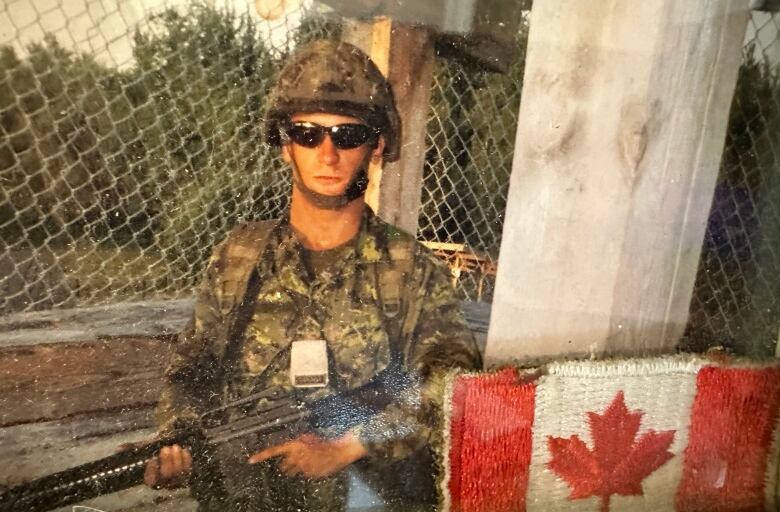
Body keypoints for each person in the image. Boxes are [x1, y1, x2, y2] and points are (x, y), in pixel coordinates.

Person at [144, 39, 482, 511]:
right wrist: (176, 436)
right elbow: (192, 366)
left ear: (376, 146)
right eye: (307, 134)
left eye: (347, 136)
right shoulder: (240, 257)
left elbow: (454, 381)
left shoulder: (407, 268)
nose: (327, 154)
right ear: (286, 146)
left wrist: (353, 444)